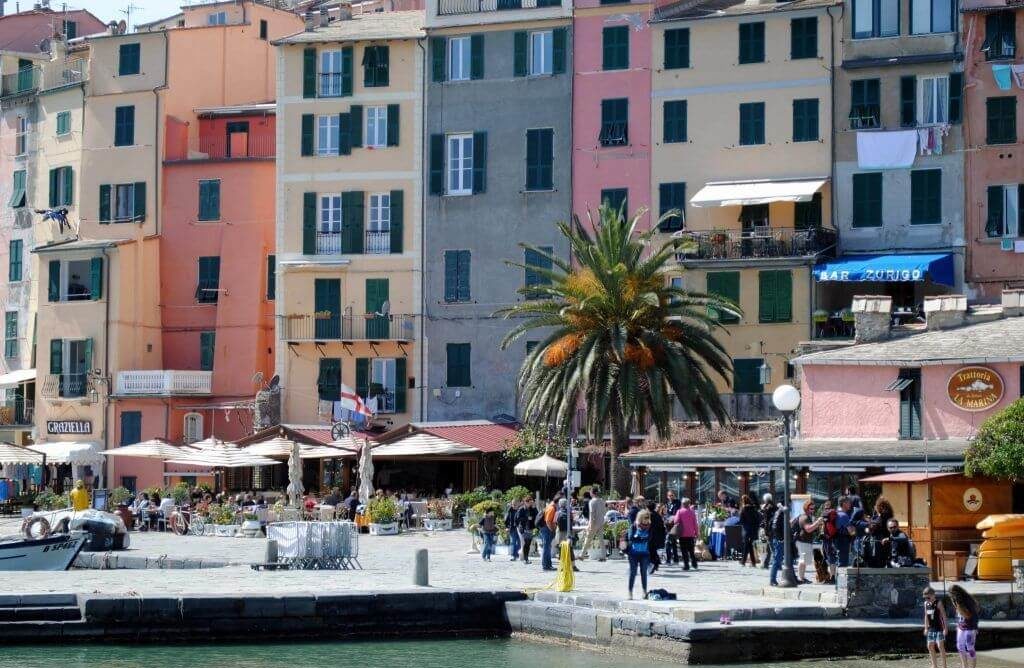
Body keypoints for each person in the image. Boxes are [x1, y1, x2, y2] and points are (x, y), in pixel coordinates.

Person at [949, 585, 979, 668]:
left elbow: (975, 615)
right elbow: (958, 615)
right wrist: (958, 625)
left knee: (970, 648)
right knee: (960, 646)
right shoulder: (956, 601)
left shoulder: (968, 601)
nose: (952, 598)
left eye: (952, 595)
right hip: (961, 627)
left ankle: (972, 667)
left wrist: (975, 627)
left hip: (970, 628)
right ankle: (964, 666)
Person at [625, 509, 653, 600]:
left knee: (643, 573)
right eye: (645, 518)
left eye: (648, 518)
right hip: (633, 553)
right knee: (633, 573)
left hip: (645, 553)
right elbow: (631, 538)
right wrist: (642, 539)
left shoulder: (649, 527)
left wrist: (640, 538)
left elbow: (650, 538)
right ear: (640, 518)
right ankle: (630, 592)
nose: (647, 519)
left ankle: (644, 592)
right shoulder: (634, 526)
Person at [794, 500, 823, 584]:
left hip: (805, 541)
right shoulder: (805, 517)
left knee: (805, 560)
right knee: (803, 560)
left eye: (814, 509)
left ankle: (802, 577)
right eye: (811, 509)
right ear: (806, 508)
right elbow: (808, 529)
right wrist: (817, 522)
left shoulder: (808, 516)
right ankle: (801, 578)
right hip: (803, 541)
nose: (813, 510)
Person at [923, 586, 949, 668]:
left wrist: (945, 628)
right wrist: (926, 627)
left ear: (933, 595)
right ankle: (934, 665)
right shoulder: (926, 604)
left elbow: (944, 616)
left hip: (939, 628)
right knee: (930, 646)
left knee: (940, 646)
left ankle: (944, 666)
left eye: (928, 597)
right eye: (925, 598)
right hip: (931, 628)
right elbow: (926, 616)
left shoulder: (938, 603)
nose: (927, 599)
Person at [865, 497, 895, 567]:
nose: (875, 507)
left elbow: (874, 527)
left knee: (877, 563)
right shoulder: (889, 515)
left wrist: (868, 521)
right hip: (886, 542)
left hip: (879, 543)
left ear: (880, 507)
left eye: (876, 506)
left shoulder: (882, 517)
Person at [581, 486, 606, 561]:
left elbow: (592, 513)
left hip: (594, 523)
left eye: (590, 492)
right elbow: (604, 512)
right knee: (601, 540)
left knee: (588, 538)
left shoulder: (592, 501)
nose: (590, 493)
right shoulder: (602, 501)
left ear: (592, 493)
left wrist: (590, 524)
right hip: (601, 522)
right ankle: (603, 556)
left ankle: (582, 555)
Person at [674, 498, 698, 571]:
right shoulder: (692, 512)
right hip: (691, 534)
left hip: (682, 534)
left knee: (684, 550)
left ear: (682, 504)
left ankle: (686, 565)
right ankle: (694, 563)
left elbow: (676, 521)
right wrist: (696, 532)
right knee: (691, 550)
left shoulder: (680, 511)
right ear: (689, 504)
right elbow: (695, 523)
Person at [768, 502, 789, 587]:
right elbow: (779, 527)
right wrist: (781, 539)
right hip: (780, 540)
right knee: (777, 560)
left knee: (782, 559)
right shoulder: (782, 514)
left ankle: (791, 577)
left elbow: (771, 525)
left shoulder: (777, 513)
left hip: (776, 538)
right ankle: (772, 580)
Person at [738, 495, 761, 567]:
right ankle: (752, 562)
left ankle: (743, 561)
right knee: (749, 545)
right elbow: (758, 519)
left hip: (746, 530)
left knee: (746, 545)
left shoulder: (743, 509)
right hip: (754, 529)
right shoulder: (754, 509)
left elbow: (741, 520)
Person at [515, 496, 537, 564]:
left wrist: (535, 507)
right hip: (523, 528)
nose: (530, 504)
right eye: (529, 502)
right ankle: (525, 558)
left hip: (530, 528)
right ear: (525, 502)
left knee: (528, 544)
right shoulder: (521, 509)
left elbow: (537, 515)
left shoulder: (532, 509)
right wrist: (527, 518)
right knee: (525, 543)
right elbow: (517, 518)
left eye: (531, 502)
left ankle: (526, 558)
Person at [647, 501, 666, 574]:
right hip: (658, 536)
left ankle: (653, 564)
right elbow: (662, 526)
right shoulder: (657, 515)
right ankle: (656, 563)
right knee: (653, 550)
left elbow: (649, 526)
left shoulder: (649, 515)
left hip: (652, 536)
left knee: (651, 551)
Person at [540, 497, 557, 571]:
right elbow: (548, 521)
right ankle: (546, 565)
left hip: (545, 528)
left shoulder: (549, 507)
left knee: (547, 547)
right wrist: (552, 530)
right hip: (546, 529)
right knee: (546, 547)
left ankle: (548, 565)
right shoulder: (551, 508)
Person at [759, 494, 775, 570]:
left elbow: (766, 521)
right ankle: (767, 563)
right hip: (772, 530)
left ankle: (765, 563)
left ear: (765, 500)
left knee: (764, 547)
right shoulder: (774, 507)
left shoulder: (766, 508)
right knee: (770, 547)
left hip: (765, 530)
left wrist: (766, 532)